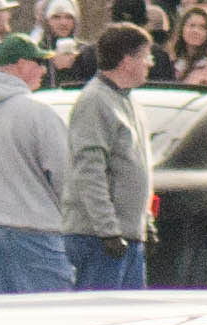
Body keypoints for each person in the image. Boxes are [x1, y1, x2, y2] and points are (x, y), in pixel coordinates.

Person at [0, 29, 78, 295]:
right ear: (21, 64)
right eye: (39, 63)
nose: (44, 71)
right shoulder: (37, 113)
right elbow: (67, 177)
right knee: (52, 319)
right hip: (33, 231)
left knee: (4, 322)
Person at [63, 23, 158, 288]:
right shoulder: (95, 101)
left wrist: (145, 221)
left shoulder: (130, 102)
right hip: (98, 239)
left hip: (129, 235)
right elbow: (89, 170)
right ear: (127, 60)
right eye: (145, 56)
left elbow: (135, 167)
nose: (150, 63)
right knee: (100, 319)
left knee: (130, 321)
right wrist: (108, 230)